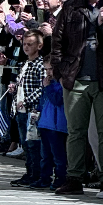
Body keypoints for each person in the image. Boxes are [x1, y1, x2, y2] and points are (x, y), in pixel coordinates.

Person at [50, 0, 103, 197]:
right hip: (75, 77)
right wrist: (59, 71)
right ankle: (74, 177)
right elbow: (57, 41)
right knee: (75, 131)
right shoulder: (71, 6)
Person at [9, 30, 45, 188]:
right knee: (25, 143)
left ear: (39, 45)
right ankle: (29, 172)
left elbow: (42, 87)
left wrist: (27, 100)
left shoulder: (40, 64)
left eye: (30, 44)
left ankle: (37, 173)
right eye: (24, 44)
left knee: (33, 144)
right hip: (21, 110)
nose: (26, 47)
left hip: (32, 110)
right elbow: (22, 84)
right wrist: (14, 88)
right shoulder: (24, 64)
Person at [36, 57, 67, 189]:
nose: (48, 72)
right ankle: (44, 177)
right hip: (45, 122)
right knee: (45, 155)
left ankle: (60, 178)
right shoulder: (47, 82)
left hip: (57, 124)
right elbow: (42, 102)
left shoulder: (61, 83)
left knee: (58, 155)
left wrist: (48, 88)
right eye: (46, 69)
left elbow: (57, 100)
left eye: (51, 69)